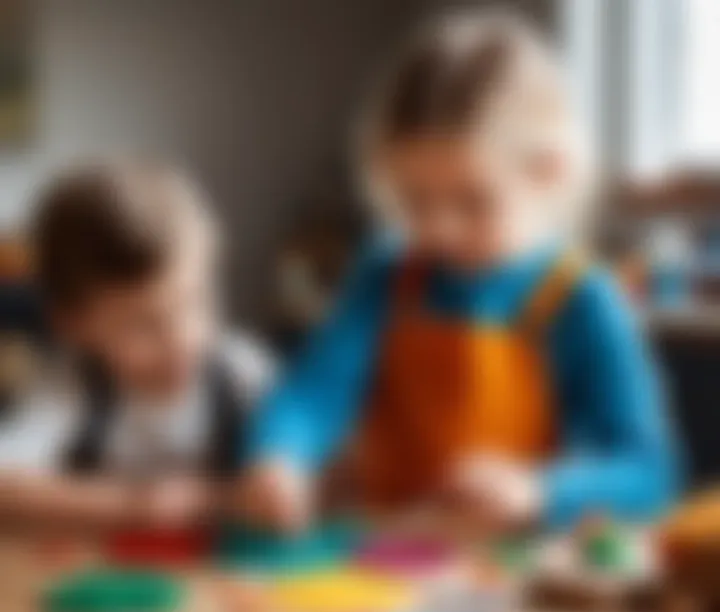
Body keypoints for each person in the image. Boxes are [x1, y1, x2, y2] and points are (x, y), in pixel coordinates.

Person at [240, 12, 679, 534]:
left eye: (472, 202)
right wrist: (279, 456)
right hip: (388, 560)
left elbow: (651, 475)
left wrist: (541, 491)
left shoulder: (583, 300)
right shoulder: (387, 274)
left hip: (525, 577)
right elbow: (316, 390)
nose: (438, 229)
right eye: (413, 201)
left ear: (548, 171)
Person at [0, 161, 273, 530]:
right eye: (142, 324)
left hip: (229, 577)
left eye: (196, 300)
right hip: (102, 577)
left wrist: (282, 478)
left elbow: (320, 467)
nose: (181, 337)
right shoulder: (73, 385)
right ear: (74, 325)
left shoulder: (241, 372)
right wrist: (137, 505)